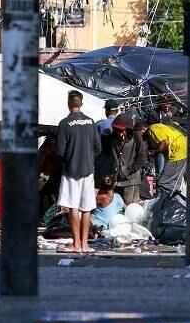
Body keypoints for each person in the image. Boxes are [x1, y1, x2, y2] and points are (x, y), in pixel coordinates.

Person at [52, 90, 102, 255]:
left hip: (71, 170)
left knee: (73, 207)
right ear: (81, 104)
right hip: (88, 170)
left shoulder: (64, 124)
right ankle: (86, 244)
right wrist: (88, 158)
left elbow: (59, 151)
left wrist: (70, 159)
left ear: (68, 104)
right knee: (86, 208)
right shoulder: (91, 122)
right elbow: (98, 148)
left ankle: (76, 244)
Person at [147, 111, 188, 196]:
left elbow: (165, 142)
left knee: (163, 183)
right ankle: (173, 200)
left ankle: (161, 203)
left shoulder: (152, 128)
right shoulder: (160, 126)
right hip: (184, 149)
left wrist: (155, 152)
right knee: (174, 182)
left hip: (178, 153)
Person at [109, 113, 147, 205]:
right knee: (116, 207)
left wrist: (128, 170)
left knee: (130, 207)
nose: (118, 132)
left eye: (121, 130)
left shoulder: (136, 137)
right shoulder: (111, 138)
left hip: (131, 180)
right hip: (116, 180)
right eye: (116, 129)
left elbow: (141, 158)